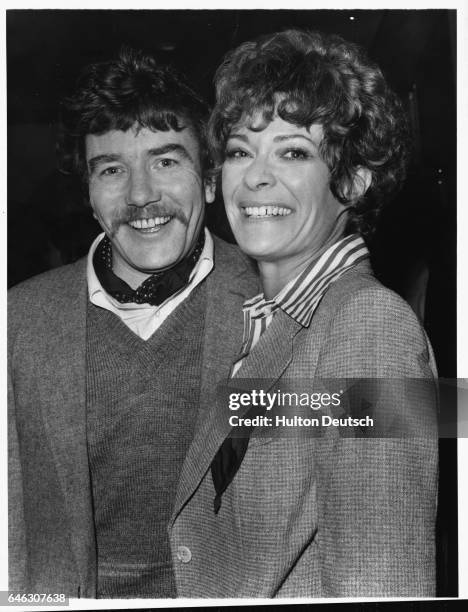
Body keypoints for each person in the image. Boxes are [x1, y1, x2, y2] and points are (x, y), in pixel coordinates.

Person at [8, 49, 258, 598]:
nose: (141, 195)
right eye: (113, 170)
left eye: (167, 161)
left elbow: (419, 425)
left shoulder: (283, 300)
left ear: (211, 181)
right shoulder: (16, 324)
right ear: (90, 196)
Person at [202, 29, 438, 597]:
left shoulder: (372, 330)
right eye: (240, 150)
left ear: (354, 181)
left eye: (292, 151)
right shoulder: (259, 322)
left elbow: (383, 585)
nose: (254, 176)